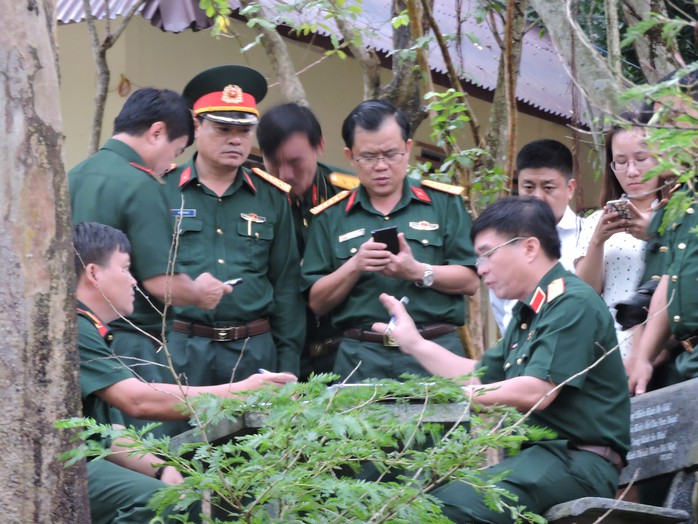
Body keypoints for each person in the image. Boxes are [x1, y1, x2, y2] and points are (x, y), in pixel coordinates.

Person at [373, 196, 630, 523]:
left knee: (444, 506)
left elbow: (538, 391)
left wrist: (454, 398)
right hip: (543, 459)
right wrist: (413, 343)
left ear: (529, 248)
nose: (480, 269)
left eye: (486, 254)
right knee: (423, 499)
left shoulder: (571, 301)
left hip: (577, 462)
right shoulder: (531, 312)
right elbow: (478, 377)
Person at [74, 221, 294, 523]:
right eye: (125, 269)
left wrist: (161, 468)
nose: (134, 282)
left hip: (80, 460)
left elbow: (108, 435)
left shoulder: (88, 328)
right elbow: (138, 401)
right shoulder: (74, 324)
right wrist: (244, 391)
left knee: (179, 497)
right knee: (161, 503)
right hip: (62, 465)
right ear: (94, 273)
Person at [69, 88, 232, 435]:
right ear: (157, 132)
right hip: (132, 342)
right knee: (151, 455)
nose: (168, 164)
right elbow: (162, 283)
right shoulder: (141, 184)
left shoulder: (74, 174)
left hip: (78, 336)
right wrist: (200, 293)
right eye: (174, 151)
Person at [301, 99, 480, 383]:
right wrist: (355, 265)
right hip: (360, 358)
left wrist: (418, 272)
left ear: (408, 148)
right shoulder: (330, 216)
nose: (381, 166)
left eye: (391, 154)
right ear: (350, 156)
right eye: (369, 157)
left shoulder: (444, 204)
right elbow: (316, 302)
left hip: (434, 351)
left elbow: (470, 280)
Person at [163, 66, 305, 397]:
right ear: (196, 126)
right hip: (181, 349)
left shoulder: (272, 197)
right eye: (223, 128)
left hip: (254, 351)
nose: (235, 140)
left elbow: (286, 287)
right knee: (177, 447)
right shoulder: (162, 190)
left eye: (244, 130)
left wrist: (288, 365)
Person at [256, 102, 358, 380]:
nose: (285, 174)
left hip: (345, 352)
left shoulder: (354, 195)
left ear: (320, 146)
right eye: (273, 162)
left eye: (295, 162)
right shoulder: (253, 198)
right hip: (275, 353)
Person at [627, 66, 698, 396]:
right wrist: (642, 358)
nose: (659, 136)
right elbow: (669, 282)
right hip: (685, 364)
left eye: (671, 121)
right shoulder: (682, 199)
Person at [575, 120, 661, 360]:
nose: (631, 171)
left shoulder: (678, 215)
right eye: (621, 162)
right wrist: (597, 241)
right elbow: (585, 294)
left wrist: (655, 234)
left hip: (662, 346)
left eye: (641, 159)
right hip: (609, 346)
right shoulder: (595, 221)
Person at [490, 139, 585, 333]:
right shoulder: (504, 240)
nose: (538, 197)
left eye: (548, 188)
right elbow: (501, 308)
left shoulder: (588, 237)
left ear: (570, 189)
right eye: (528, 187)